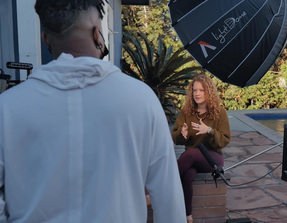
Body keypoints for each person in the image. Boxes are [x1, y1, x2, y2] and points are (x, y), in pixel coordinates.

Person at [0, 1, 186, 222]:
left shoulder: (7, 108)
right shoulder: (142, 100)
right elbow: (169, 200)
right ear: (98, 35)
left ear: (46, 39)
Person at [171, 75, 231, 223]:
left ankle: (159, 189)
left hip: (212, 158)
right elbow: (175, 137)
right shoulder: (186, 112)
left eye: (201, 90)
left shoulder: (220, 113)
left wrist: (209, 130)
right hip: (192, 158)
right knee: (187, 175)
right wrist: (182, 134)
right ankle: (188, 216)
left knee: (190, 154)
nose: (197, 93)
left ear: (209, 92)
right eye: (194, 90)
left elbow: (225, 139)